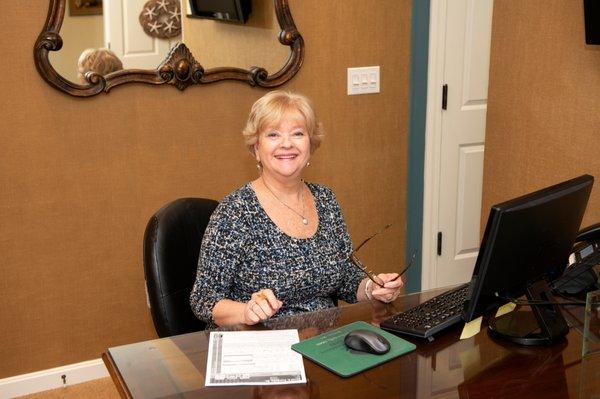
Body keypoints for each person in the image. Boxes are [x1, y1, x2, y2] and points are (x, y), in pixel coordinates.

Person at [189, 90, 403, 329]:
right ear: (256, 148)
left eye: (298, 133)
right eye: (273, 134)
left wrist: (373, 288)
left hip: (323, 343)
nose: (287, 143)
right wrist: (246, 311)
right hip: (260, 344)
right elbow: (204, 300)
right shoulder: (236, 212)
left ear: (310, 144)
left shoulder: (326, 200)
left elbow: (344, 277)